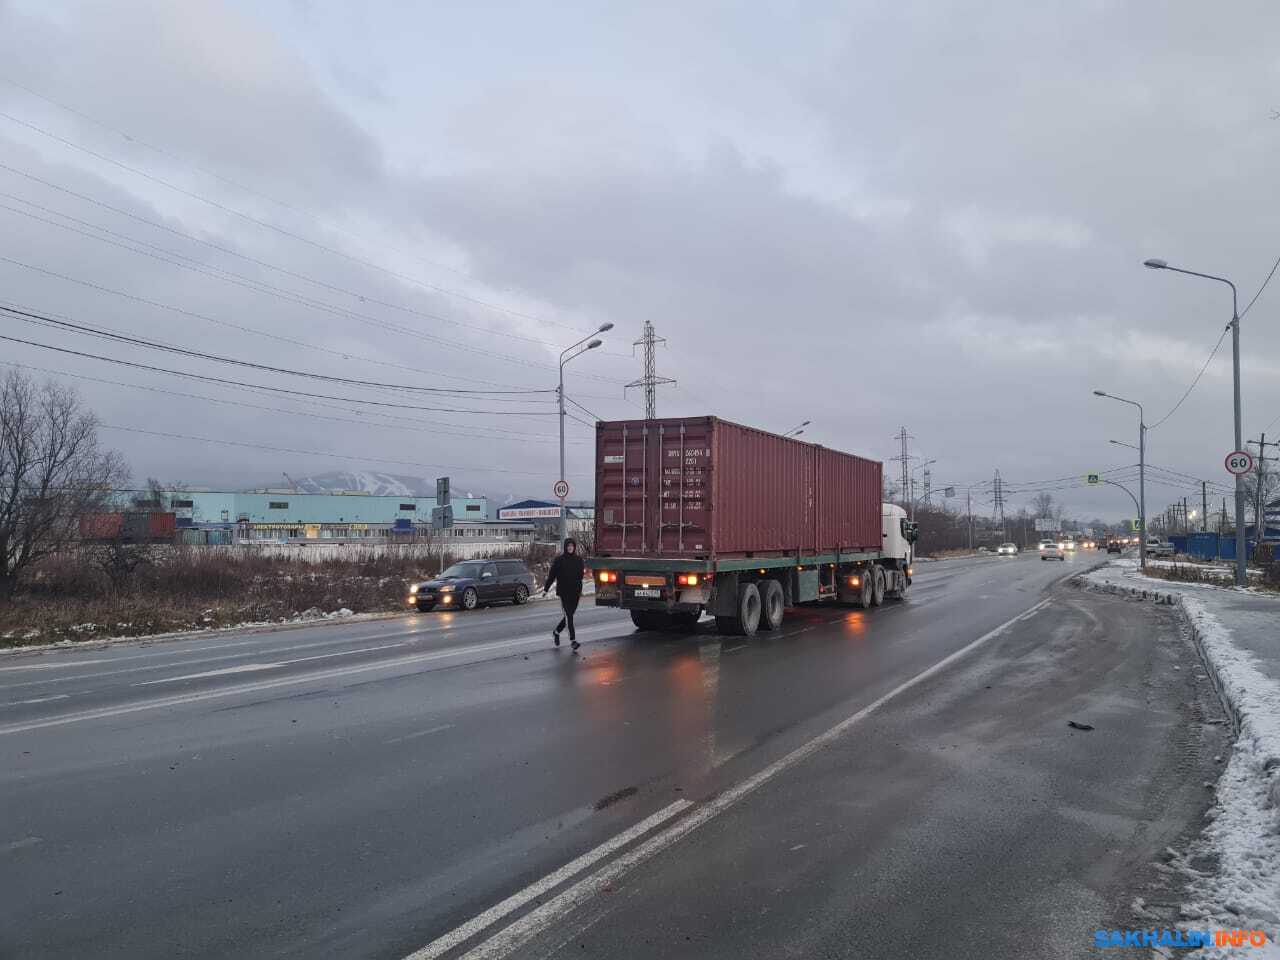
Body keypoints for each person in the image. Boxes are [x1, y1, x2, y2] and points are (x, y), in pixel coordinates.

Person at [544, 537, 585, 651]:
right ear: (565, 547)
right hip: (564, 593)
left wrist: (579, 589)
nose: (570, 548)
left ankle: (556, 632)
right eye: (568, 546)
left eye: (572, 546)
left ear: (574, 547)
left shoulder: (579, 560)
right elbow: (552, 576)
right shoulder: (559, 560)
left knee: (568, 616)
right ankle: (573, 640)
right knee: (569, 617)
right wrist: (546, 589)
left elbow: (581, 576)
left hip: (576, 593)